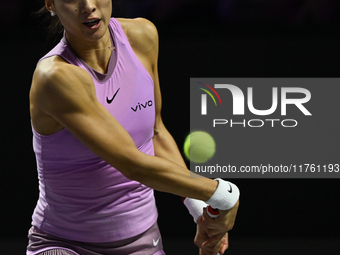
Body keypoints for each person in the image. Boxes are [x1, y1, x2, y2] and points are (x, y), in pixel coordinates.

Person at [27, 1, 240, 255]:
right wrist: (222, 195)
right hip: (66, 245)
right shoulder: (55, 76)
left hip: (142, 243)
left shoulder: (142, 36)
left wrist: (199, 210)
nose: (88, 6)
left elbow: (156, 133)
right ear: (51, 4)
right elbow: (132, 163)